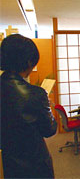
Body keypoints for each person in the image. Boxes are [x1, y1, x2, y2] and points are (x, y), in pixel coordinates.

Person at [0, 34, 57, 178]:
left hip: (9, 161)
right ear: (28, 61)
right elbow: (49, 130)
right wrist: (49, 108)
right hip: (36, 162)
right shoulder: (36, 94)